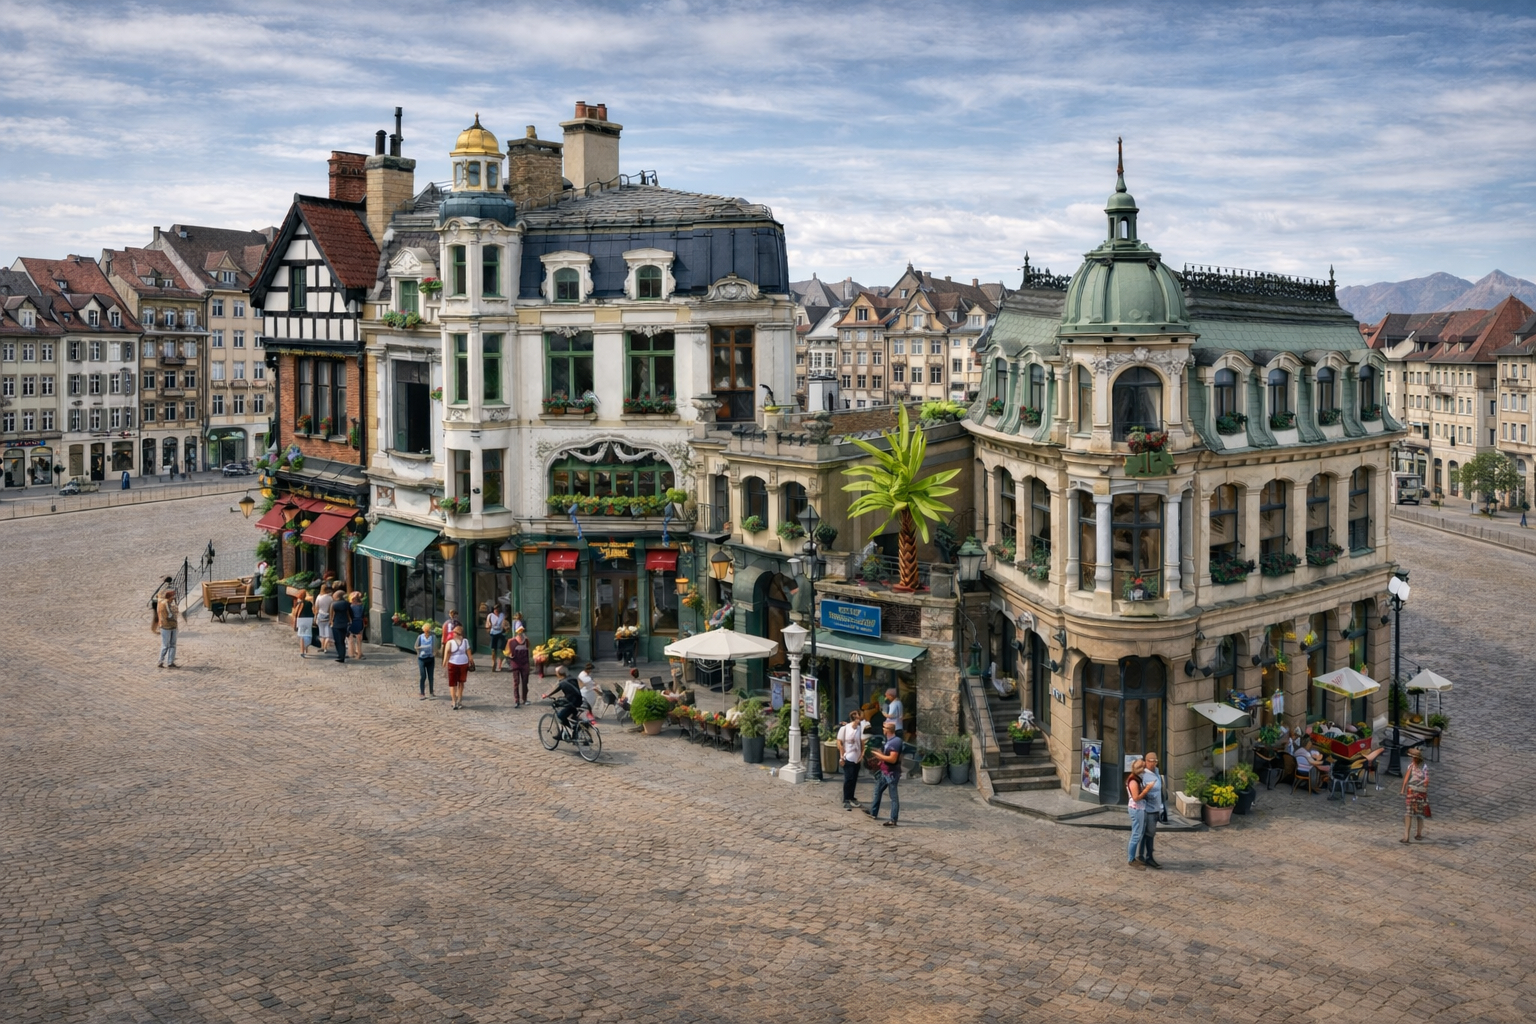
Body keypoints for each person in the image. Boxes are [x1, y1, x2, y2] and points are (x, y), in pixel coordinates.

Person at [867, 718, 904, 827]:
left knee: (893, 797)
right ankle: (873, 812)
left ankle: (893, 819)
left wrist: (879, 755)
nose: (883, 729)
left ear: (888, 730)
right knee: (877, 791)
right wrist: (880, 755)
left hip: (891, 773)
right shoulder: (889, 740)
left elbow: (892, 759)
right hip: (884, 771)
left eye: (884, 728)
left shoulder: (895, 742)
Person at [1137, 752, 1163, 868]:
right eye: (1151, 762)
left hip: (1157, 808)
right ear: (1146, 762)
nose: (1153, 764)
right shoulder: (1143, 775)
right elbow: (1140, 793)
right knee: (1148, 833)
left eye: (1155, 762)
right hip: (1148, 809)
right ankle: (1145, 856)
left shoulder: (1156, 771)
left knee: (1150, 833)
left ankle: (1146, 856)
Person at [542, 666, 583, 737]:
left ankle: (570, 730)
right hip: (579, 700)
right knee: (573, 715)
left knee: (560, 715)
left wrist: (546, 695)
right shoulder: (572, 678)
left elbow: (555, 689)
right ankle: (574, 730)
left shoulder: (562, 682)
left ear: (558, 674)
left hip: (571, 703)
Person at [837, 710, 866, 810]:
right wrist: (841, 756)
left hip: (856, 757)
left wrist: (862, 755)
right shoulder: (845, 729)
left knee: (854, 778)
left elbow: (862, 743)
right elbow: (839, 743)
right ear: (855, 718)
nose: (860, 720)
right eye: (859, 718)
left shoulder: (860, 729)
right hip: (847, 756)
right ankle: (846, 799)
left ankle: (851, 797)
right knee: (848, 778)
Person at [1401, 747, 1430, 843]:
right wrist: (1403, 789)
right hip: (1412, 791)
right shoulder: (1411, 766)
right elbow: (1406, 778)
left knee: (1419, 814)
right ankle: (1406, 836)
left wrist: (1423, 786)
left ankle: (1418, 833)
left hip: (1420, 792)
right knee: (1409, 813)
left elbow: (1426, 779)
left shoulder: (1424, 767)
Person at [1125, 757, 1147, 869]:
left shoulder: (1137, 778)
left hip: (1139, 808)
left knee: (1139, 832)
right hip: (1136, 808)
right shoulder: (1133, 781)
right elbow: (1136, 797)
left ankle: (1135, 857)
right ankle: (1131, 859)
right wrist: (1146, 791)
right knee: (1136, 834)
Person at [444, 625, 473, 709]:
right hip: (456, 663)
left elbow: (469, 653)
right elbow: (448, 653)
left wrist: (444, 662)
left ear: (457, 633)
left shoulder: (464, 641)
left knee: (458, 682)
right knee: (456, 683)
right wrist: (471, 661)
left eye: (454, 632)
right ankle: (455, 700)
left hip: (459, 663)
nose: (453, 634)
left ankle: (457, 700)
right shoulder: (451, 642)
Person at [506, 627, 531, 707]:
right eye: (519, 631)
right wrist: (510, 655)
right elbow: (507, 652)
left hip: (524, 663)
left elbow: (528, 649)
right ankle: (517, 700)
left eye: (522, 631)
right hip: (515, 663)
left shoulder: (526, 640)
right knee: (516, 682)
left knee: (525, 681)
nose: (520, 633)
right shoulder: (511, 641)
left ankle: (525, 699)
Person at [155, 588, 179, 668]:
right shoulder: (164, 604)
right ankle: (160, 661)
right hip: (165, 626)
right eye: (172, 596)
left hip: (173, 626)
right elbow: (170, 615)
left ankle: (170, 662)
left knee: (173, 645)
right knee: (165, 645)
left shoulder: (170, 604)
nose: (174, 598)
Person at [415, 622, 436, 699]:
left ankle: (431, 692)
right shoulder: (420, 637)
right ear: (423, 630)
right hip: (422, 659)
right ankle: (422, 693)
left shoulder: (433, 637)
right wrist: (420, 648)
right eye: (425, 631)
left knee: (431, 676)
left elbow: (435, 647)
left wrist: (434, 653)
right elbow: (416, 646)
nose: (427, 632)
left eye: (428, 631)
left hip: (430, 658)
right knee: (423, 676)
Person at [330, 590, 350, 664]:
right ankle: (342, 655)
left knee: (338, 641)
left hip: (336, 624)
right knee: (342, 640)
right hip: (345, 623)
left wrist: (331, 622)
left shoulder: (333, 604)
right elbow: (348, 614)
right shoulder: (346, 603)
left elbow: (331, 615)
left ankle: (340, 655)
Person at [293, 589, 315, 658]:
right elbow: (312, 611)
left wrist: (294, 624)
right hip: (309, 619)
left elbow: (296, 614)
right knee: (308, 634)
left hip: (301, 620)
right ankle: (306, 649)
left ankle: (302, 651)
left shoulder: (299, 604)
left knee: (302, 636)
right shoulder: (309, 603)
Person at [486, 605, 508, 672]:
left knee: (501, 649)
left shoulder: (502, 615)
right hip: (493, 633)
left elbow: (504, 623)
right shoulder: (490, 616)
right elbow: (487, 624)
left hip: (500, 633)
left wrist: (505, 628)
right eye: (495, 610)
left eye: (498, 610)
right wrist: (489, 627)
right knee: (493, 649)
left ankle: (500, 664)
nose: (496, 611)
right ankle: (494, 663)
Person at [314, 585, 334, 654]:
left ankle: (322, 647)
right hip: (328, 616)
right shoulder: (330, 598)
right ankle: (325, 647)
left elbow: (316, 607)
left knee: (321, 633)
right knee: (328, 634)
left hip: (320, 615)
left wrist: (315, 616)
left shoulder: (319, 597)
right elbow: (331, 608)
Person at [347, 591, 366, 660]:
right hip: (360, 621)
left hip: (353, 622)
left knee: (350, 638)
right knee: (359, 639)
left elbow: (349, 615)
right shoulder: (362, 606)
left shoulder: (351, 606)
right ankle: (359, 652)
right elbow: (363, 615)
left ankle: (352, 652)